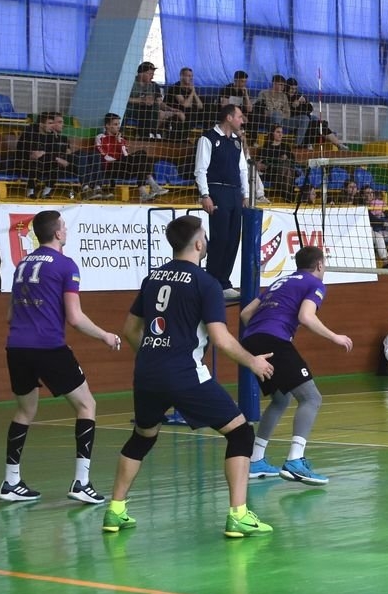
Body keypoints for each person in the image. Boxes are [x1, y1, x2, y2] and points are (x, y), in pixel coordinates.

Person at [104, 215, 276, 538]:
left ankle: (115, 510)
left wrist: (152, 357)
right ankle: (238, 515)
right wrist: (252, 362)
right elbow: (221, 339)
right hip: (184, 373)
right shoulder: (206, 283)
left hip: (147, 372)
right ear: (199, 244)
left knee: (142, 437)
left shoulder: (153, 278)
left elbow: (130, 330)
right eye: (205, 237)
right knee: (241, 434)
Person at [0, 210, 124, 504]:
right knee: (86, 405)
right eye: (64, 227)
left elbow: (10, 316)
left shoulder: (22, 265)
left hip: (16, 347)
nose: (66, 230)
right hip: (48, 347)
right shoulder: (65, 265)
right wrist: (105, 335)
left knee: (25, 411)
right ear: (57, 233)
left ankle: (10, 481)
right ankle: (81, 482)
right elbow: (75, 318)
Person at [239, 246, 354, 485]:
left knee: (281, 399)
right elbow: (306, 316)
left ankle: (256, 460)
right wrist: (335, 337)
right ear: (319, 265)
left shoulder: (280, 282)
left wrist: (262, 332)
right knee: (311, 398)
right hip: (274, 340)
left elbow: (246, 313)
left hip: (251, 339)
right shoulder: (315, 283)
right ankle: (295, 461)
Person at [194, 103, 247, 298]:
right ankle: (212, 283)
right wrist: (205, 195)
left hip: (235, 193)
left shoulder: (237, 142)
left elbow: (242, 169)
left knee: (233, 239)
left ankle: (224, 283)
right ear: (229, 118)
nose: (242, 120)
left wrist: (245, 194)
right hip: (217, 190)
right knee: (220, 238)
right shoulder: (208, 138)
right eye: (239, 117)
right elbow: (200, 169)